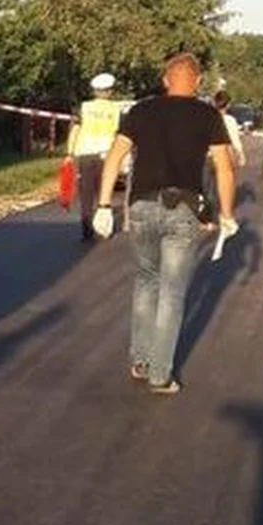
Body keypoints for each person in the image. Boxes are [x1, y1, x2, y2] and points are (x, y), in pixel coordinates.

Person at [94, 53, 237, 395]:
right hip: (183, 208)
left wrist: (103, 205)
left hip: (142, 205)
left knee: (146, 280)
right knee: (171, 293)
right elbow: (224, 168)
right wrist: (227, 214)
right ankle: (161, 375)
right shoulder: (208, 115)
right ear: (197, 82)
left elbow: (115, 155)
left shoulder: (141, 110)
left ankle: (141, 360)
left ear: (165, 80)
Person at [67, 72, 128, 241]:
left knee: (86, 194)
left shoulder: (84, 107)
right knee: (104, 193)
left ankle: (87, 230)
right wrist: (123, 158)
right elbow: (121, 136)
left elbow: (75, 130)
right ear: (110, 91)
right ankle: (105, 228)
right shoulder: (116, 110)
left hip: (86, 154)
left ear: (94, 91)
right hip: (107, 156)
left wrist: (69, 153)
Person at [203, 90, 247, 224]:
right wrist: (241, 155)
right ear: (228, 105)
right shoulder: (230, 121)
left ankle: (208, 219)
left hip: (207, 157)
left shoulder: (206, 118)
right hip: (224, 157)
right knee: (220, 187)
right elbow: (234, 140)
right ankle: (222, 214)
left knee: (207, 188)